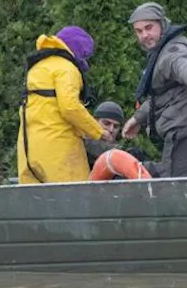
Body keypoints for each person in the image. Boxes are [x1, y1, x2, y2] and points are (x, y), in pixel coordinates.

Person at [121, 2, 187, 177]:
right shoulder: (162, 52)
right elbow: (164, 94)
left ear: (162, 24)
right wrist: (138, 118)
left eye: (149, 28)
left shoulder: (172, 49)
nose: (144, 35)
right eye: (138, 31)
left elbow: (179, 63)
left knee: (173, 189)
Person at [17, 26, 116, 184]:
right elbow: (69, 107)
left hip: (28, 150)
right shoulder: (67, 69)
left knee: (36, 203)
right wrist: (99, 132)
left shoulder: (37, 67)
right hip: (58, 151)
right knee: (74, 200)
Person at [84, 101, 149, 166]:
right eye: (106, 123)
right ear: (95, 121)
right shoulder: (85, 139)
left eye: (116, 126)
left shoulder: (116, 146)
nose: (111, 129)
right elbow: (101, 150)